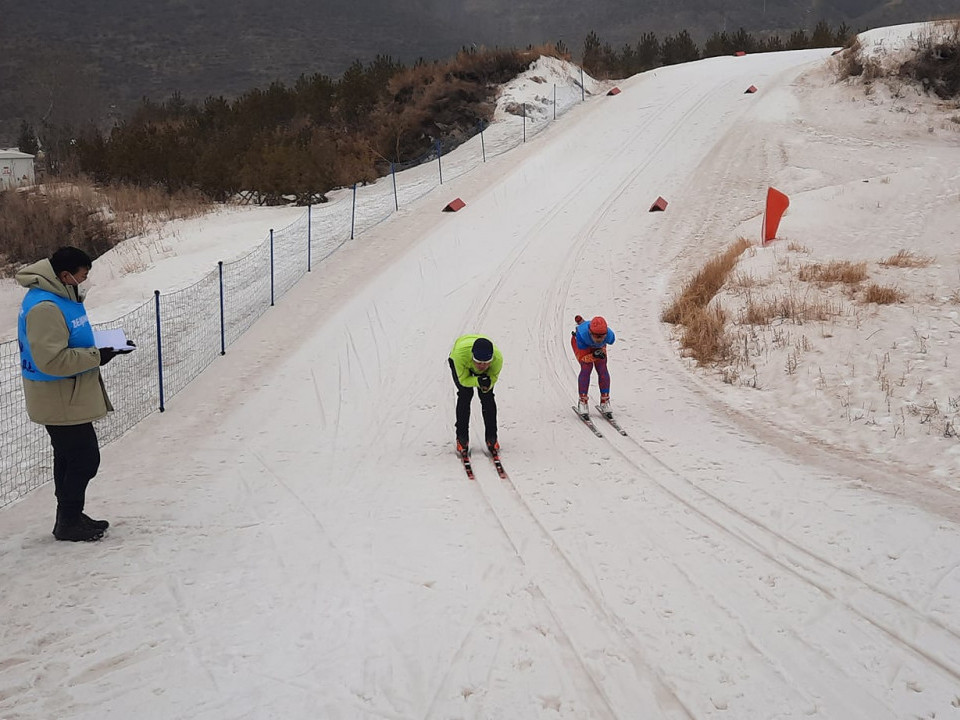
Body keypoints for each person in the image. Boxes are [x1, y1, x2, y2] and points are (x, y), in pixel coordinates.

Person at [17, 246, 130, 542]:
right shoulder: (45, 308)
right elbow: (51, 360)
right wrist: (98, 356)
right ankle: (68, 521)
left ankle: (69, 516)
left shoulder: (62, 297)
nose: (85, 280)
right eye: (83, 275)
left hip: (69, 393)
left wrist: (108, 348)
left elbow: (68, 339)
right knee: (84, 459)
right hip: (57, 396)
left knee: (69, 458)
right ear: (65, 275)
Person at [448, 335, 503, 455]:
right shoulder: (460, 356)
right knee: (465, 394)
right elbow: (463, 381)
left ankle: (492, 438)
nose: (482, 366)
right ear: (473, 358)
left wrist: (486, 384)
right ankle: (462, 439)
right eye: (478, 362)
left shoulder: (498, 360)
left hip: (472, 355)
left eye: (486, 363)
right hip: (462, 357)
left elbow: (492, 379)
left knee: (487, 396)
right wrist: (478, 381)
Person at [571, 314, 616, 416]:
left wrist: (601, 351)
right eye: (596, 336)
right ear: (590, 332)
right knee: (587, 368)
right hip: (581, 344)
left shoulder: (609, 336)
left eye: (602, 337)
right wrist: (594, 354)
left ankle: (605, 400)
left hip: (596, 346)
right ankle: (583, 401)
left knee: (602, 368)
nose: (599, 339)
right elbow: (585, 357)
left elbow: (602, 345)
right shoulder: (582, 334)